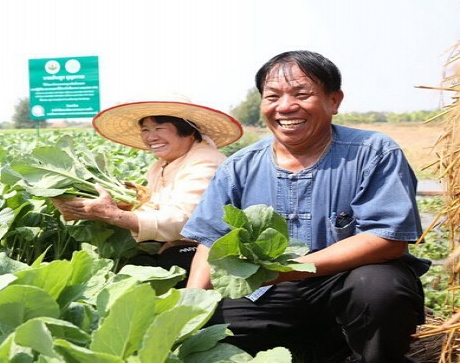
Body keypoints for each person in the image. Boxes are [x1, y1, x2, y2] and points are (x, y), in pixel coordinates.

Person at [181, 50, 429, 362]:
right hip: (271, 290)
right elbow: (212, 239)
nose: (285, 106)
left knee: (379, 290)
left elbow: (388, 239)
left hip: (346, 282)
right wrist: (191, 306)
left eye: (302, 94)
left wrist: (287, 271)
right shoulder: (239, 166)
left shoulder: (373, 152)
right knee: (220, 329)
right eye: (272, 96)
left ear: (334, 101)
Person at [52, 95, 243, 284]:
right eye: (145, 130)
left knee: (170, 264)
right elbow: (153, 208)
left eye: (159, 128)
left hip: (211, 254)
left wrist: (113, 215)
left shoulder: (205, 161)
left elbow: (185, 221)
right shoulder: (161, 165)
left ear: (189, 131)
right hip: (175, 245)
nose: (151, 137)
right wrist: (118, 205)